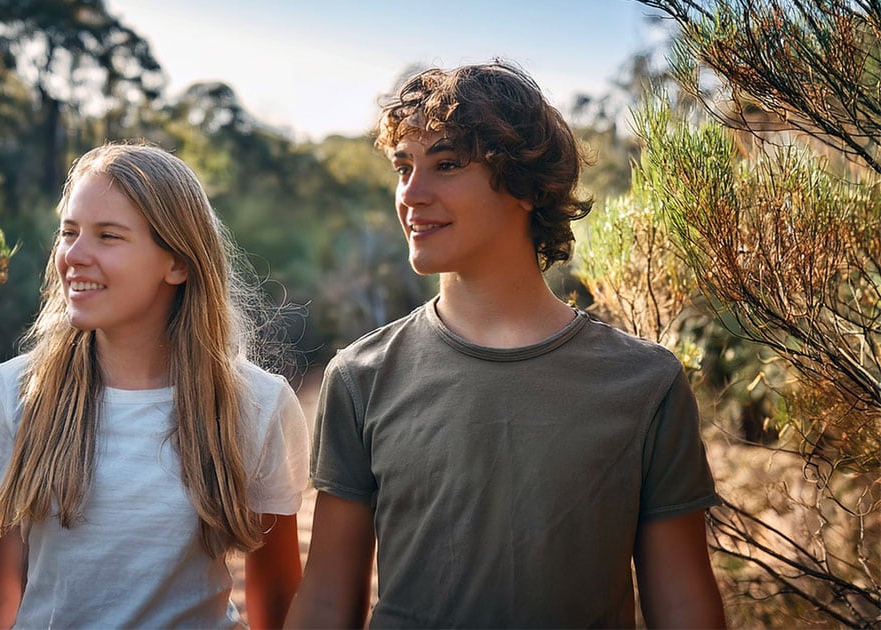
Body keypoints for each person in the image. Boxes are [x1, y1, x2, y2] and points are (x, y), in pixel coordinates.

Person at [286, 63, 726, 628]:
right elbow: (326, 600)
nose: (411, 194)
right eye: (403, 167)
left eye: (446, 165)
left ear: (525, 185)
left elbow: (684, 605)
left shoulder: (644, 383)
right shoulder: (362, 375)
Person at [0, 143, 309, 629]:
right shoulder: (14, 392)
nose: (74, 256)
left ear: (178, 264)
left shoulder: (258, 404)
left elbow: (278, 595)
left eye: (108, 236)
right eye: (69, 233)